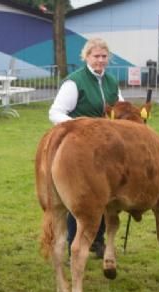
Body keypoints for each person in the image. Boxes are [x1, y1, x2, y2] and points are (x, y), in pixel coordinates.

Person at [48, 37, 124, 259]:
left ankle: (96, 241)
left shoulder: (111, 82)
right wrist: (81, 126)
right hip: (79, 149)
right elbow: (55, 112)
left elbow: (119, 109)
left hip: (105, 149)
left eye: (103, 56)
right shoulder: (75, 82)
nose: (100, 60)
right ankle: (75, 240)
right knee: (80, 195)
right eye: (95, 56)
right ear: (86, 57)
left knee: (103, 194)